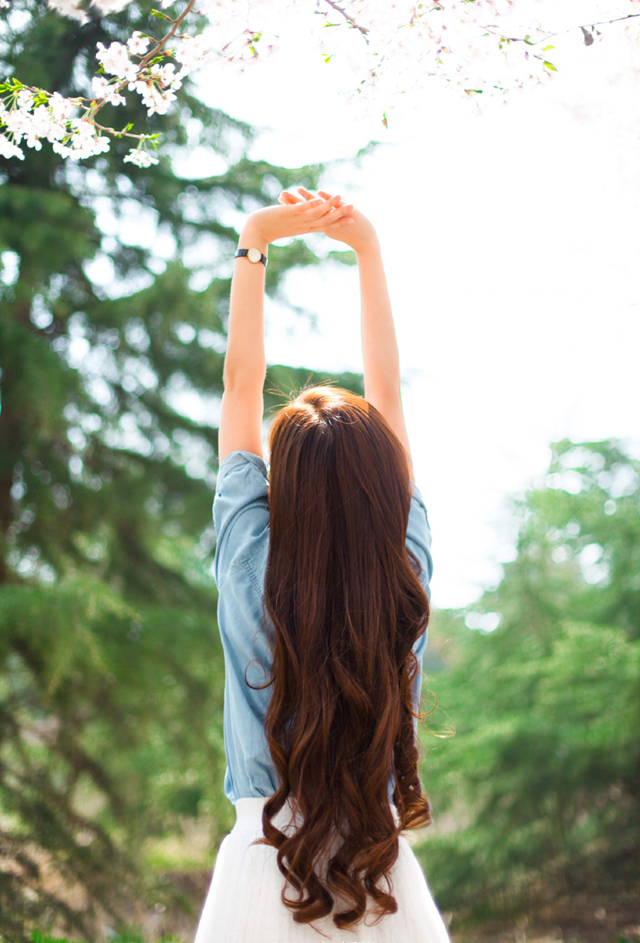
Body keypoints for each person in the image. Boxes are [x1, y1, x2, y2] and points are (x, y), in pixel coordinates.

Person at [193, 187, 451, 942]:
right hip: (381, 876)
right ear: (382, 481)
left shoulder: (251, 559)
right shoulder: (400, 562)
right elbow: (388, 392)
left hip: (262, 865)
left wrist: (255, 241)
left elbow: (241, 383)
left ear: (285, 480)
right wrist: (365, 248)